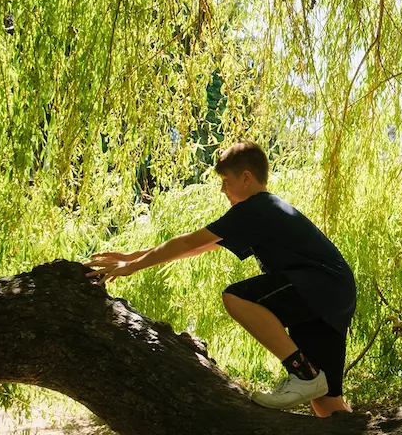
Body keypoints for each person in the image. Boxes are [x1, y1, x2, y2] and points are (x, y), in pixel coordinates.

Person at [85, 142, 356, 415]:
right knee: (326, 401)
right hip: (333, 293)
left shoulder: (255, 208)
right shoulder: (266, 210)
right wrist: (132, 257)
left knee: (237, 297)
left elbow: (188, 242)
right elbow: (198, 247)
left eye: (226, 181)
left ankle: (303, 374)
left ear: (246, 178)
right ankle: (314, 383)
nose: (223, 190)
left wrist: (132, 266)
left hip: (319, 286)